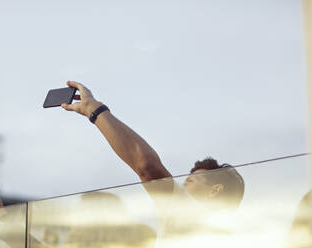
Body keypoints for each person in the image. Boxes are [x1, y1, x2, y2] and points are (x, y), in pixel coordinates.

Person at [61, 81, 245, 244]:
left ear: (215, 190)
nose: (182, 184)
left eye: (191, 181)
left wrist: (93, 109)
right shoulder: (239, 236)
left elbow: (147, 167)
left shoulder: (189, 213)